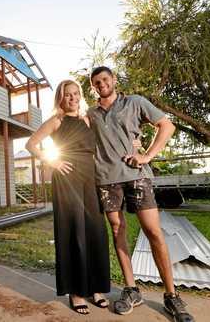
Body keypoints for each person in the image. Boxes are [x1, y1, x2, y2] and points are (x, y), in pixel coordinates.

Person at [87, 66, 195, 322]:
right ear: (93, 88)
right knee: (117, 230)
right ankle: (131, 289)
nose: (101, 84)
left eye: (104, 79)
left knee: (154, 233)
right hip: (106, 181)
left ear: (114, 80)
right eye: (96, 82)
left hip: (137, 176)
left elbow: (166, 126)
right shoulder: (90, 114)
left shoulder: (135, 103)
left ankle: (171, 295)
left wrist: (147, 155)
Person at [26, 79, 110, 315]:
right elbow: (31, 144)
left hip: (90, 177)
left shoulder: (88, 119)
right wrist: (52, 160)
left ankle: (96, 288)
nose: (72, 98)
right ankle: (75, 291)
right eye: (67, 95)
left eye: (75, 94)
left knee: (95, 230)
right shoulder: (57, 121)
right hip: (67, 178)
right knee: (73, 230)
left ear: (80, 96)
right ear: (60, 98)